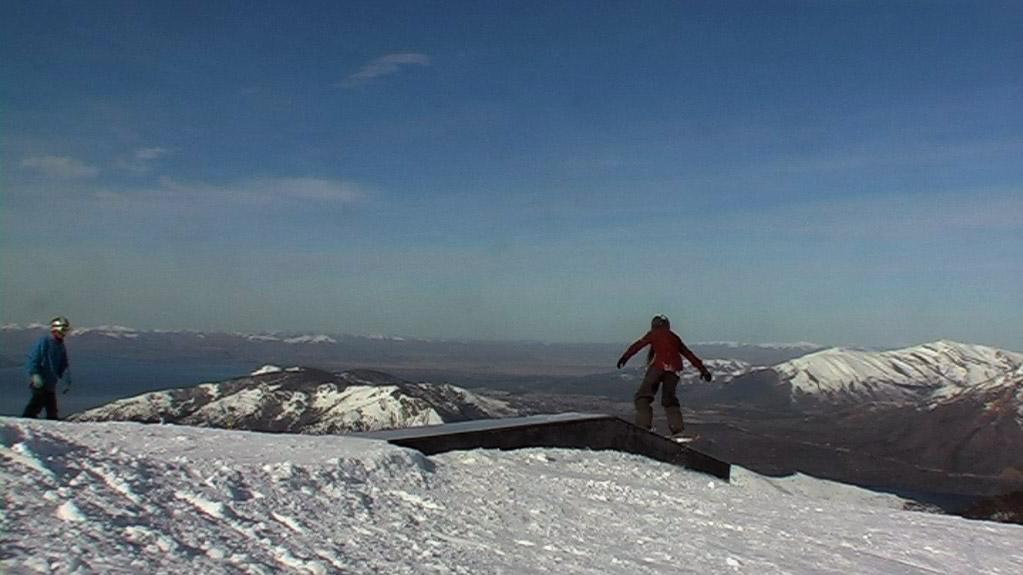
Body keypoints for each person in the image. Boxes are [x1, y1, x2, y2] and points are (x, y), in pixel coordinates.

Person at [616, 314, 711, 437]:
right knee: (669, 401)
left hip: (657, 368)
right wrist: (703, 370)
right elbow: (689, 354)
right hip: (674, 371)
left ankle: (643, 427)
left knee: (642, 397)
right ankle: (678, 430)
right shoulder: (675, 338)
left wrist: (625, 357)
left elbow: (638, 345)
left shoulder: (654, 333)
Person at [23, 316, 73, 420]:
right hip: (39, 382)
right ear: (55, 329)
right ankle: (24, 426)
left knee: (52, 411)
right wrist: (35, 374)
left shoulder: (60, 346)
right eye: (63, 330)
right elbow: (33, 359)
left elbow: (63, 365)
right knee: (36, 404)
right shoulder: (44, 342)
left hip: (50, 383)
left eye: (66, 331)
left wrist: (66, 380)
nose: (64, 334)